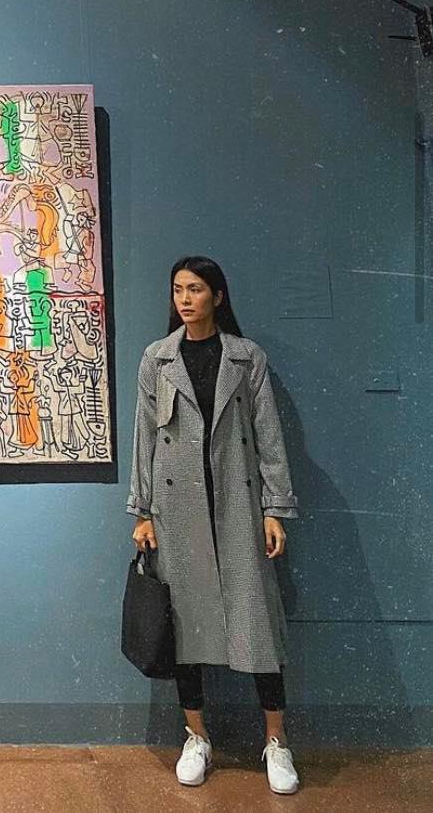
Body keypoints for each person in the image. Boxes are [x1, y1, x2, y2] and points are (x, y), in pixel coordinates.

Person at [128, 256, 300, 794]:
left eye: (196, 289)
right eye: (178, 289)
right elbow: (144, 438)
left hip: (238, 506)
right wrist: (142, 512)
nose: (185, 299)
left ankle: (277, 742)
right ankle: (196, 737)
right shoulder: (157, 360)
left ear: (218, 296)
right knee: (185, 629)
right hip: (176, 511)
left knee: (258, 625)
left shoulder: (246, 359)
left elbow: (268, 435)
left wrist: (275, 508)